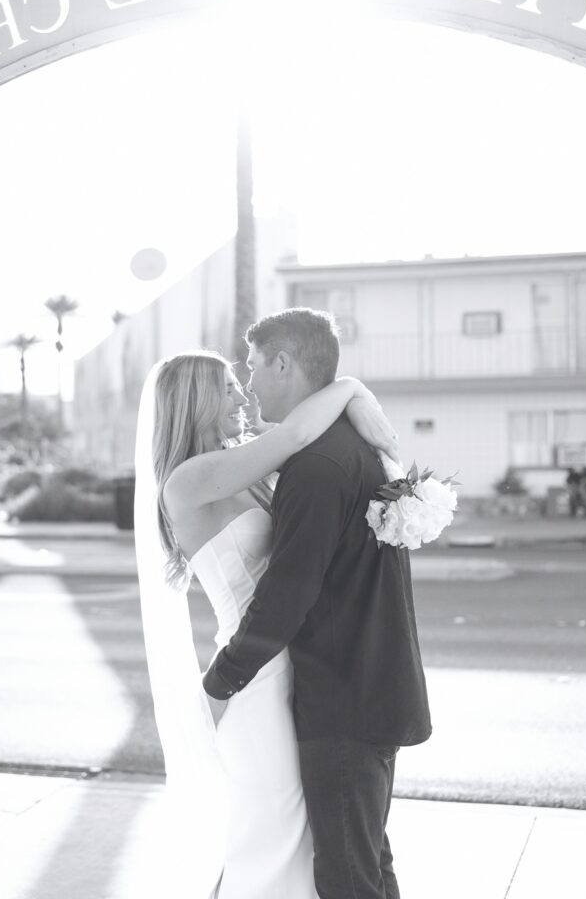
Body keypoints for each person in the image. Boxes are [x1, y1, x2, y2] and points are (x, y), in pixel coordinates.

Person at [133, 339, 400, 898]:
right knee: (277, 825)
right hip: (253, 674)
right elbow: (298, 433)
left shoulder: (244, 467)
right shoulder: (190, 479)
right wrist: (350, 389)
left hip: (294, 662)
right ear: (196, 400)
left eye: (238, 381)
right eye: (226, 386)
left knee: (307, 826)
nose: (241, 393)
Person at [203, 308, 432, 899]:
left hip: (344, 698)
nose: (248, 384)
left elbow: (289, 593)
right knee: (369, 862)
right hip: (376, 684)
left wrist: (222, 679)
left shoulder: (316, 466)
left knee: (348, 875)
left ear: (283, 363)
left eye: (253, 367)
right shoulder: (354, 444)